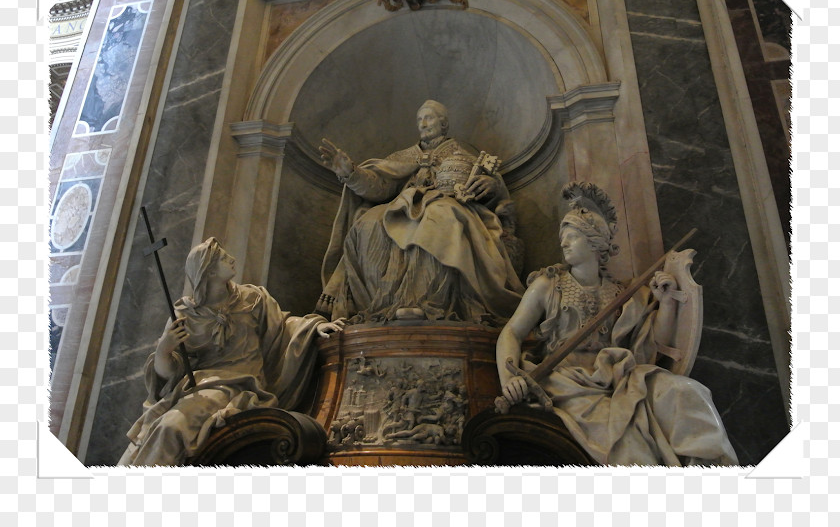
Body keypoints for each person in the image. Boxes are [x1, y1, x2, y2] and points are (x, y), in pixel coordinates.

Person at [496, 182, 739, 466]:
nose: (563, 243)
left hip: (621, 378)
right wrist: (508, 378)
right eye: (563, 236)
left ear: (595, 242)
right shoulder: (548, 285)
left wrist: (667, 302)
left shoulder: (623, 294)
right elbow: (512, 332)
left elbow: (651, 346)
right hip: (567, 385)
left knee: (687, 391)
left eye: (572, 236)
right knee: (628, 442)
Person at [118, 237, 344, 466]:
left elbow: (283, 327)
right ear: (209, 271)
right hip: (198, 387)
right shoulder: (185, 314)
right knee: (152, 430)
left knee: (171, 425)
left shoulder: (253, 299)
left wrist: (314, 326)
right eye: (224, 258)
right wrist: (164, 350)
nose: (232, 259)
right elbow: (167, 375)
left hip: (238, 385)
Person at [317, 100, 525, 324]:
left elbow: (496, 193)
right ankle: (385, 303)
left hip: (446, 205)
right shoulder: (401, 158)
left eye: (429, 118)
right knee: (367, 221)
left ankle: (427, 301)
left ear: (444, 124)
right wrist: (351, 173)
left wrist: (490, 185)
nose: (423, 124)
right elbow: (380, 186)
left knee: (440, 214)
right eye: (419, 119)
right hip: (401, 207)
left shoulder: (464, 157)